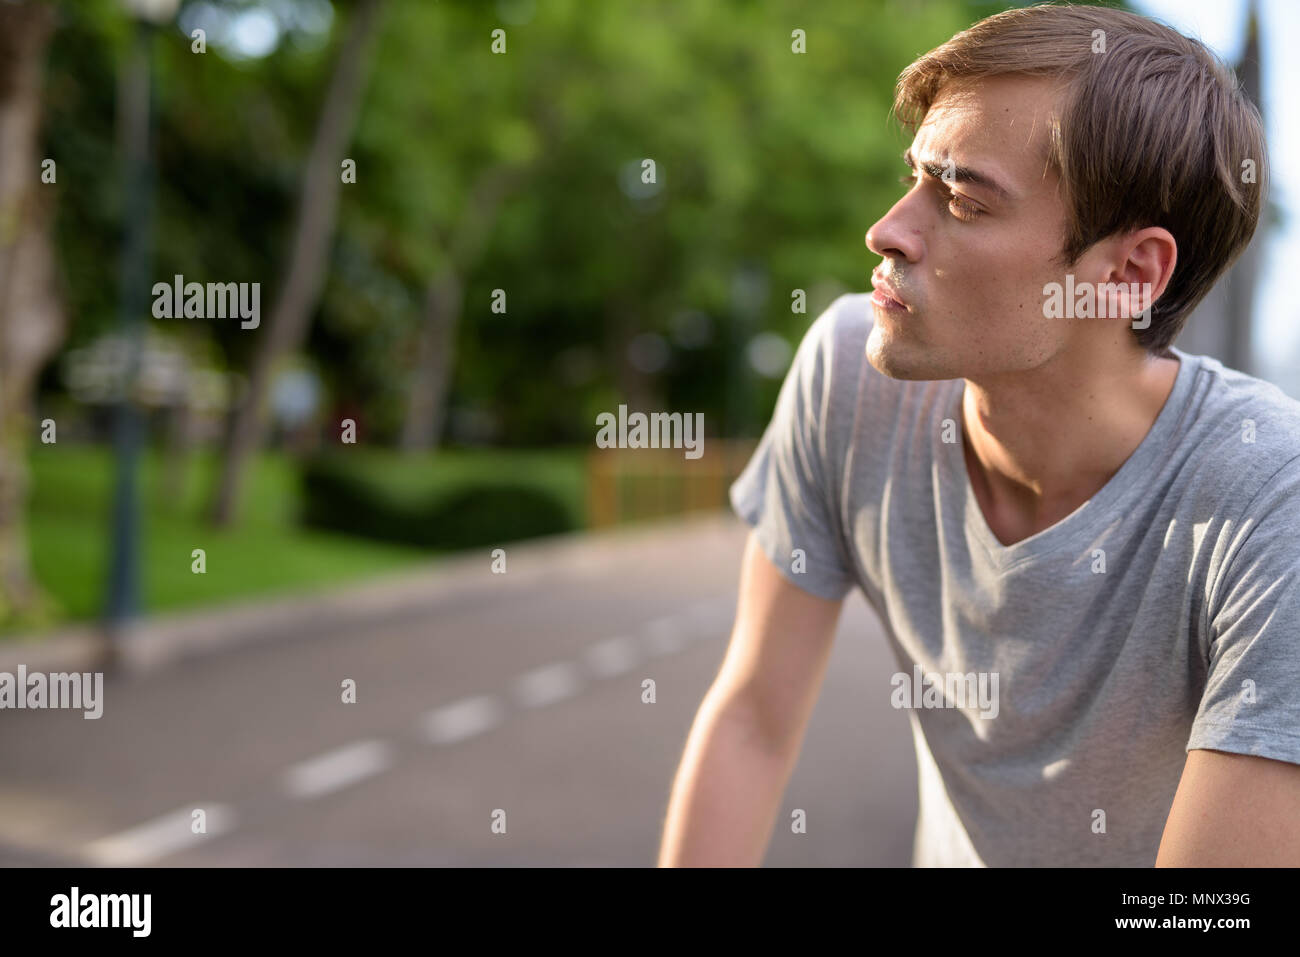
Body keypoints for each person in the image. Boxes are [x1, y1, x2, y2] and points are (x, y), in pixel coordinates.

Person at [658, 3, 1300, 867]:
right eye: (916, 177)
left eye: (961, 198)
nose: (887, 231)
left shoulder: (1268, 498)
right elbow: (753, 721)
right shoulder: (851, 376)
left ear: (1126, 274)